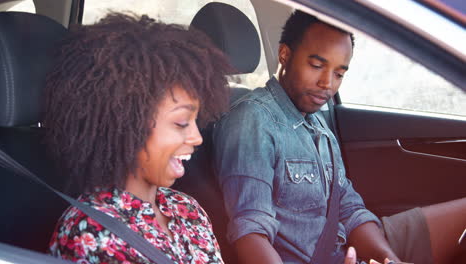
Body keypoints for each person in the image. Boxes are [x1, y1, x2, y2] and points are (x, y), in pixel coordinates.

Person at [212, 10, 466, 264]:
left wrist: (389, 259)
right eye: (317, 65)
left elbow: (349, 208)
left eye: (339, 74)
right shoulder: (252, 120)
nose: (327, 83)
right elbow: (250, 232)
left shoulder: (317, 123)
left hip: (352, 248)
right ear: (284, 55)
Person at [45, 13, 232, 264]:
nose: (197, 138)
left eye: (196, 122)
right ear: (125, 124)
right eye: (181, 123)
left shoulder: (186, 208)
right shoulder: (90, 232)